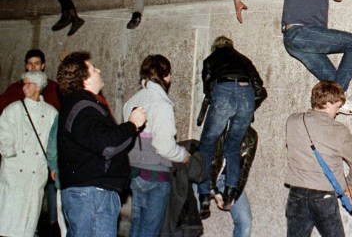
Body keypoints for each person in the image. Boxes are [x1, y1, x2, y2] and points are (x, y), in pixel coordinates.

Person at [57, 51, 147, 237]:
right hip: (93, 196)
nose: (99, 70)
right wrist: (132, 124)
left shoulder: (81, 105)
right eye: (93, 67)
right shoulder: (83, 107)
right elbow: (107, 145)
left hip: (89, 195)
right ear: (84, 78)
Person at [284, 80, 352, 237]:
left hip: (296, 195)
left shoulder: (292, 121)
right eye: (337, 107)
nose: (337, 112)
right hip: (324, 197)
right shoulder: (339, 130)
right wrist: (351, 184)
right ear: (328, 103)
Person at [197, 36, 266, 214]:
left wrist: (221, 107)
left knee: (207, 144)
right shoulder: (244, 59)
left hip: (224, 91)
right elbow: (260, 88)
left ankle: (204, 195)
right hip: (247, 96)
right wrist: (249, 110)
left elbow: (208, 88)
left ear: (215, 47)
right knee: (234, 145)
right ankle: (229, 190)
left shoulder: (211, 59)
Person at [123, 55, 190, 237]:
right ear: (165, 75)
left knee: (136, 226)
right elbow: (164, 147)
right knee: (150, 231)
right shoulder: (161, 103)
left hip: (135, 171)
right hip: (156, 174)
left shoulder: (131, 100)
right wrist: (183, 155)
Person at [0, 70, 58, 237]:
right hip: (14, 172)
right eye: (24, 84)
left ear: (38, 87)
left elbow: (53, 142)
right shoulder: (13, 110)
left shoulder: (51, 113)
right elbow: (4, 134)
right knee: (9, 219)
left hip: (35, 172)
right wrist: (10, 155)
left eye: (28, 84)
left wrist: (52, 164)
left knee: (28, 218)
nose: (24, 87)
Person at [0, 48, 61, 115]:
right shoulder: (15, 88)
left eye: (37, 63)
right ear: (26, 66)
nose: (33, 67)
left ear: (43, 66)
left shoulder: (54, 88)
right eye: (30, 64)